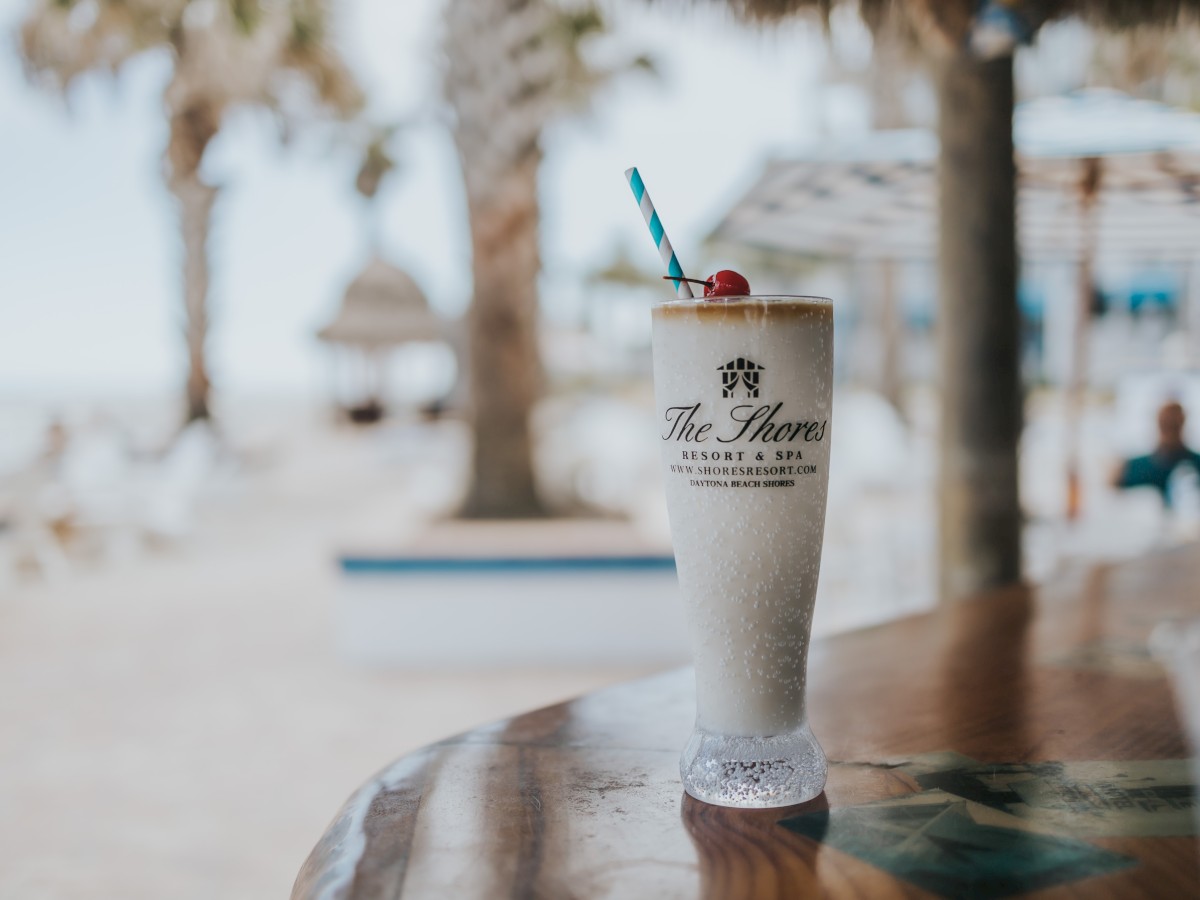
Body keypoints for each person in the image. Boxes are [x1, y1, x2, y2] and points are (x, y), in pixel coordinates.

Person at [1112, 401, 1200, 507]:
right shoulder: (1134, 466)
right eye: (1166, 423)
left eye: (1173, 424)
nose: (1170, 427)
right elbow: (1114, 489)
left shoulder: (1195, 463)